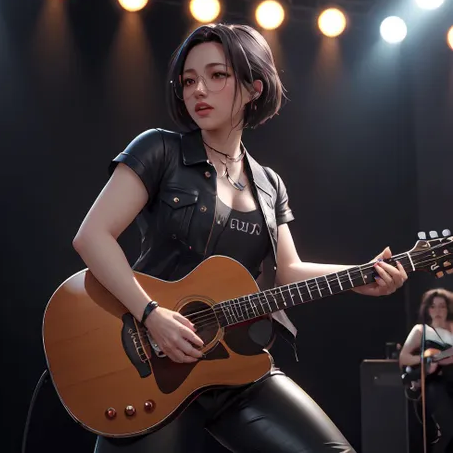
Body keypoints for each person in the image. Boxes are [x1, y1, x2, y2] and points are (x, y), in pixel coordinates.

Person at [72, 23, 408, 453]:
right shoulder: (159, 150)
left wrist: (358, 276)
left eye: (217, 75)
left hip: (235, 367)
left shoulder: (269, 184)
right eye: (188, 80)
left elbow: (288, 272)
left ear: (254, 87)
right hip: (148, 360)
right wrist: (152, 314)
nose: (198, 90)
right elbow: (92, 237)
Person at [399, 288, 453, 453]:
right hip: (435, 386)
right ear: (427, 309)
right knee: (447, 431)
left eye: (442, 306)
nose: (437, 311)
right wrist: (427, 359)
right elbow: (404, 358)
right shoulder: (421, 330)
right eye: (433, 306)